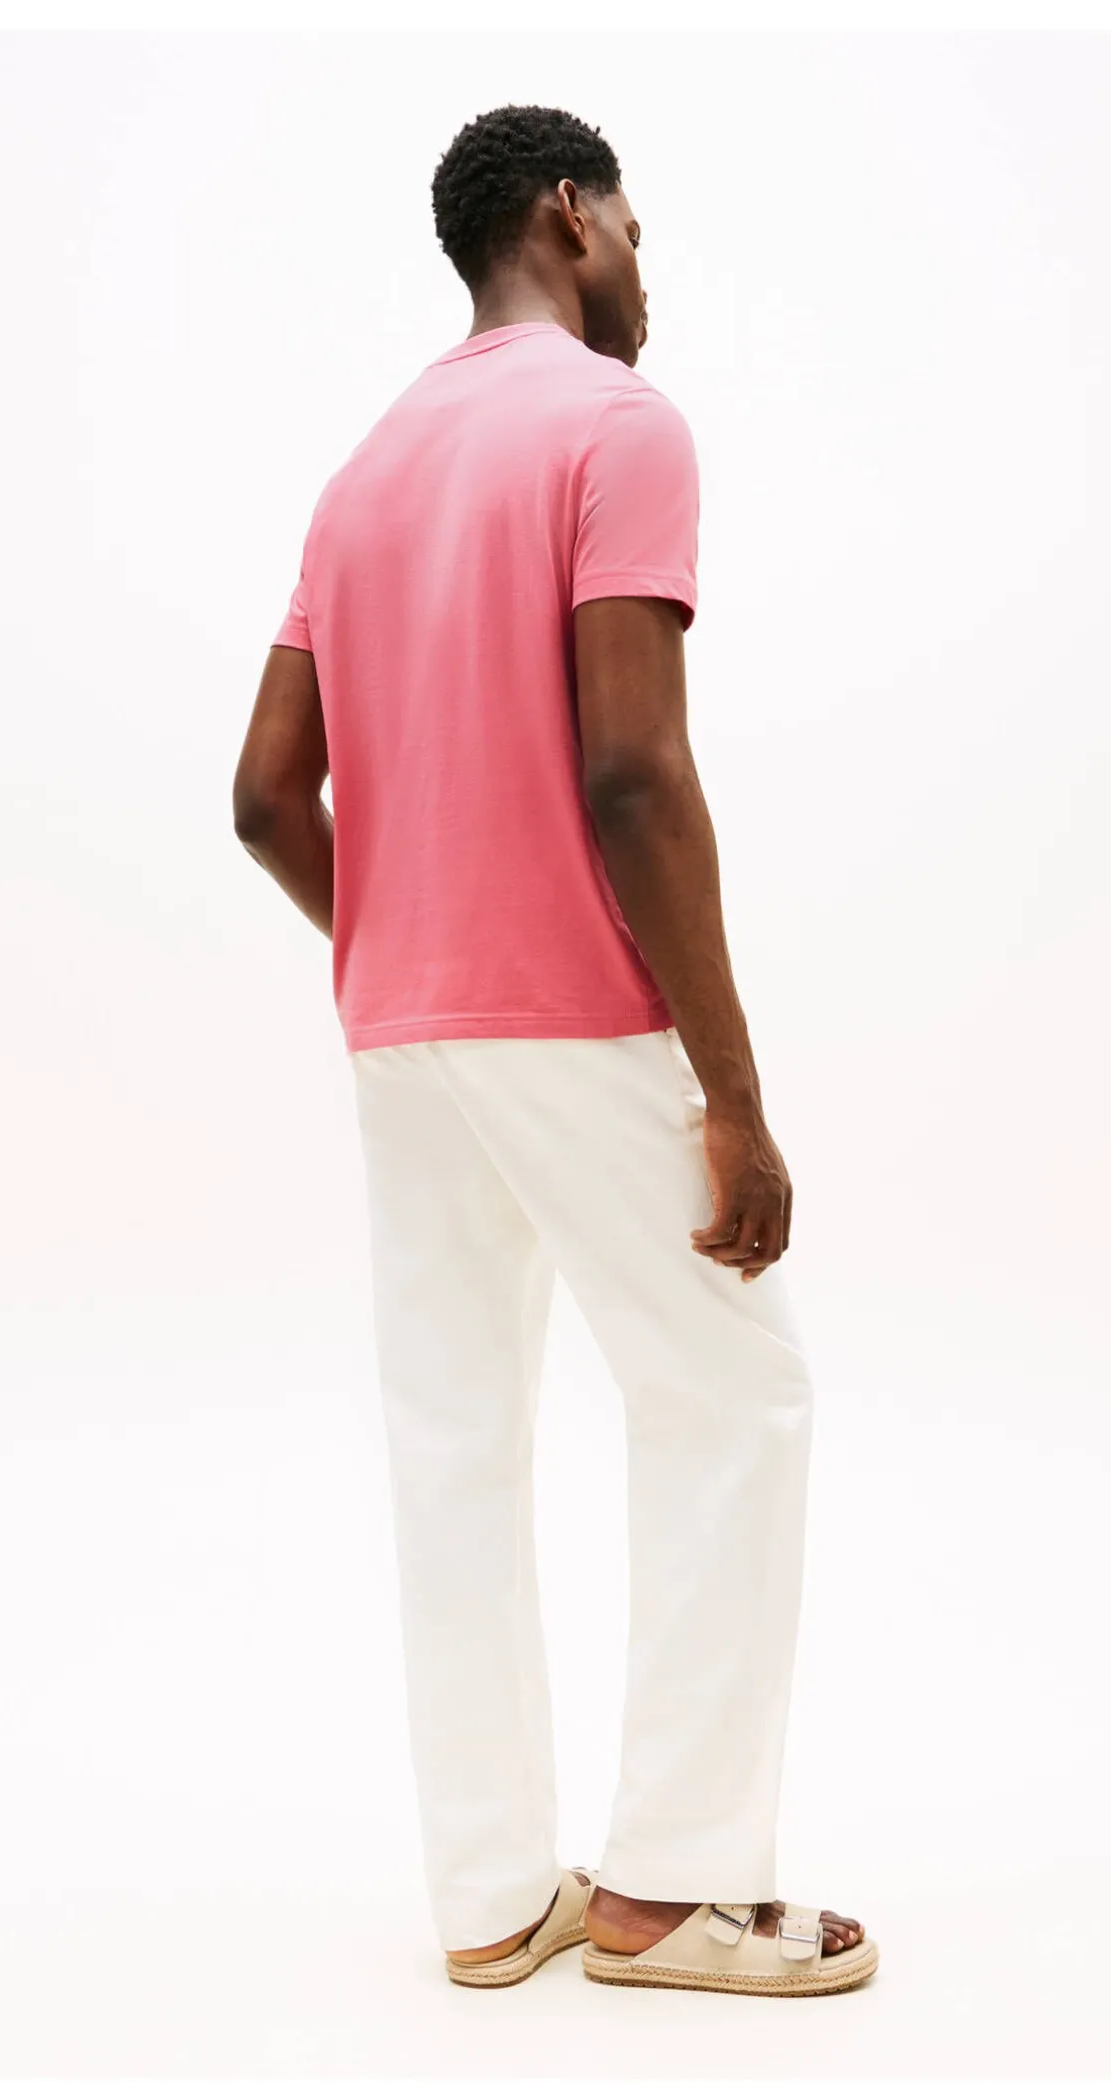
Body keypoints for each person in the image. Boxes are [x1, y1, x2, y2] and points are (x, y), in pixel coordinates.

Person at [231, 103, 875, 1999]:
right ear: (572, 216)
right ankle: (674, 1885)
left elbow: (266, 796)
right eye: (638, 235)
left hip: (400, 1034)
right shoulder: (617, 425)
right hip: (573, 1018)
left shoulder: (364, 472)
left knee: (453, 1438)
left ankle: (496, 1893)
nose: (646, 276)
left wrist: (406, 937)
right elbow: (634, 769)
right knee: (734, 1398)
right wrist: (735, 1098)